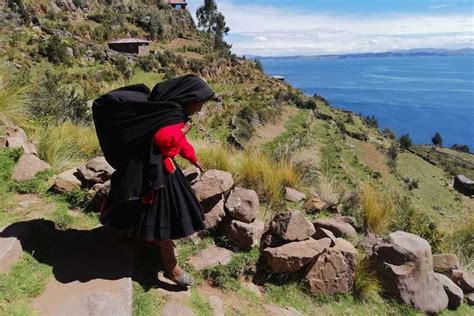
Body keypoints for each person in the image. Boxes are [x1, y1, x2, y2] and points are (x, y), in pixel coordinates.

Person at [92, 75, 215, 287]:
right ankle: (171, 268)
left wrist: (192, 158)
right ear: (189, 97)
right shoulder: (173, 113)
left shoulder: (165, 108)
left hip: (144, 165)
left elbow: (171, 141)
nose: (200, 109)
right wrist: (183, 130)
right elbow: (163, 142)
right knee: (163, 218)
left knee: (139, 206)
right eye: (199, 104)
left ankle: (130, 237)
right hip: (156, 171)